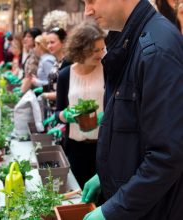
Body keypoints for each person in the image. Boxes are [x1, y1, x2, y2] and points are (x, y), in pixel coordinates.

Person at [81, 0, 183, 219]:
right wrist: (106, 174)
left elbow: (167, 156)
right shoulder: (131, 41)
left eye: (91, 0)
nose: (87, 11)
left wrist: (113, 210)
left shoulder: (156, 49)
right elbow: (133, 129)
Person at [54, 20, 105, 188]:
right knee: (80, 196)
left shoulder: (107, 71)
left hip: (104, 148)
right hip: (76, 149)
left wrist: (105, 116)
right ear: (81, 50)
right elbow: (58, 114)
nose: (100, 54)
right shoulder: (65, 75)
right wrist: (66, 115)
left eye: (102, 49)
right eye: (95, 50)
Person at [21, 27, 42, 94]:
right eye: (25, 36)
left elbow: (30, 75)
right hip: (29, 90)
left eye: (29, 37)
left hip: (34, 91)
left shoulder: (36, 54)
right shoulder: (31, 52)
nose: (25, 39)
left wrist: (22, 91)